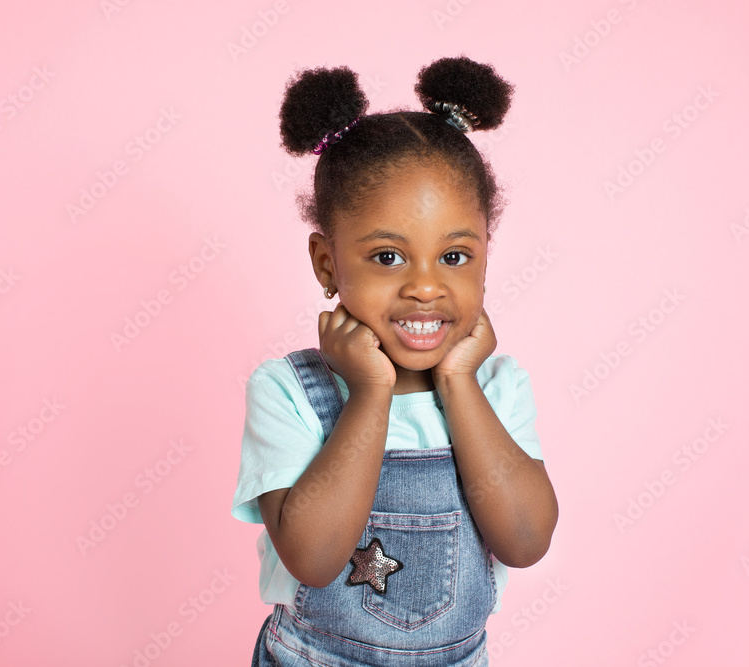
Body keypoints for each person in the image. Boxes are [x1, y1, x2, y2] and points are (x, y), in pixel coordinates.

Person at [232, 55, 558, 666]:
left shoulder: (497, 386)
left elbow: (525, 540)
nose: (426, 287)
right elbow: (314, 557)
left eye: (455, 257)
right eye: (388, 258)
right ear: (328, 264)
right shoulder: (288, 391)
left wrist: (459, 381)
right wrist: (370, 391)